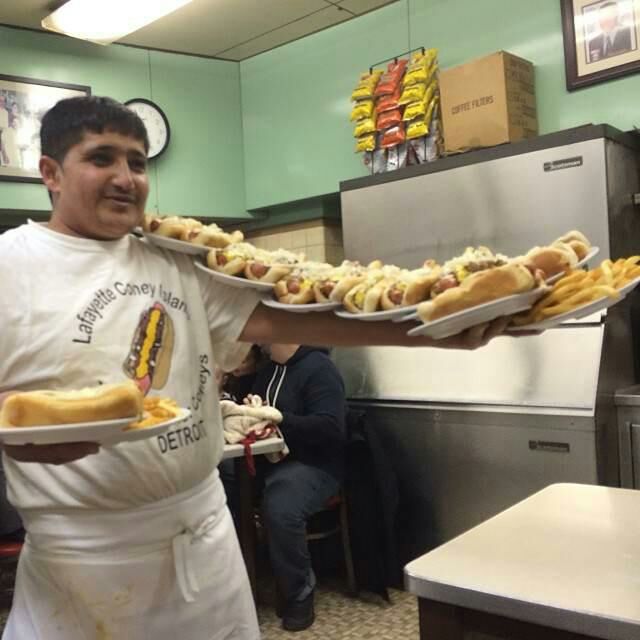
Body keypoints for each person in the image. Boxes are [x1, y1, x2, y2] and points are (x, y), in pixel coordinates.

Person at [0, 95, 508, 640]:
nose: (126, 178)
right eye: (101, 158)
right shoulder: (13, 265)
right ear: (50, 173)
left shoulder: (175, 260)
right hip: (80, 561)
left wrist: (437, 327)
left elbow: (301, 315)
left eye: (137, 162)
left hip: (202, 539)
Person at [249, 343, 346, 632]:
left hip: (315, 465)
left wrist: (281, 419)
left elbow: (330, 428)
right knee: (224, 485)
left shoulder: (319, 368)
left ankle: (299, 593)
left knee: (280, 505)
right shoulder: (267, 371)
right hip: (270, 463)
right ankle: (242, 585)